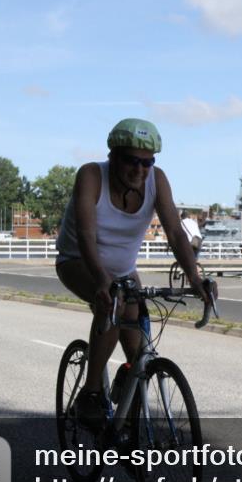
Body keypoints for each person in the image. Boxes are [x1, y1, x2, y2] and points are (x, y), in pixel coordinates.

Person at [55, 118, 211, 428]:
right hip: (78, 261)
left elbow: (175, 233)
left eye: (147, 162)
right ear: (112, 156)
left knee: (140, 352)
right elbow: (86, 235)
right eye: (131, 160)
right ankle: (90, 394)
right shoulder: (91, 176)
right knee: (115, 304)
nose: (140, 169)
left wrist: (195, 278)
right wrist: (102, 280)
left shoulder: (157, 180)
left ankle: (127, 419)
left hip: (124, 271)